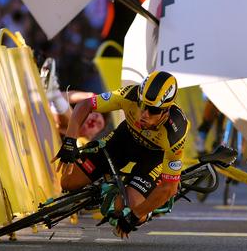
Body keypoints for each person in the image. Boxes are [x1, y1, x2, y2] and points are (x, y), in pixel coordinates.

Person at [54, 71, 188, 238]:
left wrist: (135, 215)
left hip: (153, 157)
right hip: (124, 140)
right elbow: (85, 105)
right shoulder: (129, 94)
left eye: (153, 110)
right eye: (142, 105)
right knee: (67, 182)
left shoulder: (176, 132)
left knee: (124, 208)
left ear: (165, 112)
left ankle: (144, 208)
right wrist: (70, 141)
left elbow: (169, 188)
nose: (144, 114)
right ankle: (104, 179)